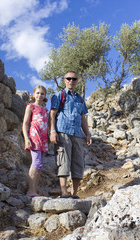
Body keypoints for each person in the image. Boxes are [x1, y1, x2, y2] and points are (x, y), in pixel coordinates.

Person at [49, 71, 92, 199]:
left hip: (77, 134)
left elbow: (83, 118)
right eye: (68, 78)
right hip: (63, 132)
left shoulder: (80, 99)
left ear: (77, 81)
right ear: (64, 80)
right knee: (63, 161)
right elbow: (52, 114)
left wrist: (88, 134)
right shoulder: (59, 96)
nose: (71, 81)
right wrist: (52, 131)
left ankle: (74, 193)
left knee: (78, 163)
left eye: (74, 79)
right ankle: (64, 192)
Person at [22, 85, 49, 197]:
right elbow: (25, 123)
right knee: (36, 162)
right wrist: (26, 138)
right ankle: (30, 191)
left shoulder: (45, 109)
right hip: (34, 136)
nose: (40, 95)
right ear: (33, 94)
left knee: (40, 164)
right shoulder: (31, 106)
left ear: (45, 96)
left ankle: (35, 191)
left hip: (43, 138)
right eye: (37, 93)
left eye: (42, 93)